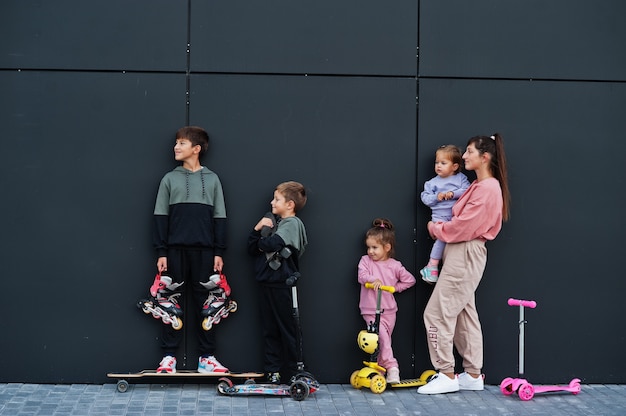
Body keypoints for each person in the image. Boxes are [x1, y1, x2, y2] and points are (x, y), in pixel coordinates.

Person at [417, 133, 510, 395]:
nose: (465, 156)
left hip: (465, 250)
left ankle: (446, 373)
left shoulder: (487, 188)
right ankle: (472, 374)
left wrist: (436, 229)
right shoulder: (481, 186)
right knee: (463, 314)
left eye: (469, 152)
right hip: (462, 251)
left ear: (485, 157)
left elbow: (464, 226)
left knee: (436, 313)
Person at [151, 126, 229, 374]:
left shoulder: (213, 179)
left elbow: (220, 217)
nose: (176, 147)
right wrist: (161, 251)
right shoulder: (168, 179)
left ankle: (207, 358)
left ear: (196, 149)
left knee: (208, 304)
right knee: (169, 304)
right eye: (176, 142)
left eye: (182, 143)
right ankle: (168, 358)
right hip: (174, 251)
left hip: (206, 252)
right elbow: (160, 217)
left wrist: (218, 251)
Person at [247, 181, 308, 384]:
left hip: (283, 284)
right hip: (266, 283)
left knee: (288, 329)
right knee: (269, 330)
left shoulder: (292, 224)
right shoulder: (277, 223)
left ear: (289, 204)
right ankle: (273, 371)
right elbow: (249, 247)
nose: (271, 202)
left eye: (277, 199)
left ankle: (294, 371)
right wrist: (257, 229)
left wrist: (260, 240)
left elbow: (272, 243)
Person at [357, 218, 416, 384]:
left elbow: (410, 280)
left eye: (374, 247)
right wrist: (372, 279)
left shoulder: (394, 265)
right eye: (369, 247)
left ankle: (380, 371)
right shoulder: (365, 261)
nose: (371, 251)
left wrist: (394, 288)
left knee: (384, 342)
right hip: (370, 310)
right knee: (381, 339)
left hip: (389, 310)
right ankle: (392, 368)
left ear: (387, 247)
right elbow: (361, 276)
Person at [419, 145, 470, 284]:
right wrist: (437, 197)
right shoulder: (431, 183)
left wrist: (453, 194)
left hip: (456, 216)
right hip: (440, 218)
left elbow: (467, 191)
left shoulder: (460, 178)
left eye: (443, 163)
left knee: (453, 241)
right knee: (441, 240)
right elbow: (425, 199)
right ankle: (432, 266)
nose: (438, 166)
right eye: (437, 163)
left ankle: (432, 230)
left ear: (454, 166)